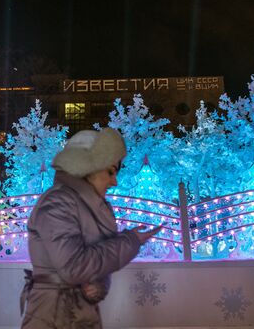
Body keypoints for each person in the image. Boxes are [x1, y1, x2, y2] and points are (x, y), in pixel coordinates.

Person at [20, 128, 162, 329]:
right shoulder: (58, 203)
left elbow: (95, 263)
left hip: (78, 314)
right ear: (87, 168)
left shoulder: (90, 207)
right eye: (110, 171)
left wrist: (99, 286)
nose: (115, 181)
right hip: (53, 316)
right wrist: (129, 242)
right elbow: (75, 267)